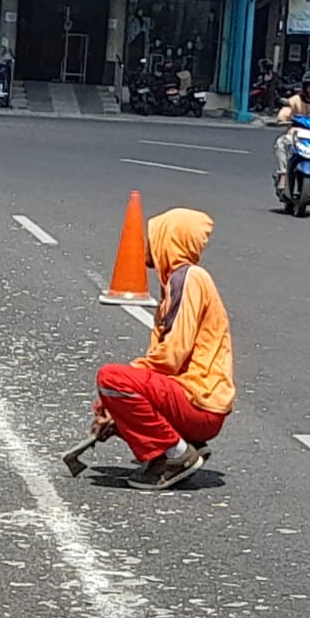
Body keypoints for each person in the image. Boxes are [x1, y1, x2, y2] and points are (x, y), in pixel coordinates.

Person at [92, 209, 234, 492]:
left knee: (112, 379)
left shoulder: (188, 279)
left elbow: (172, 355)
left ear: (170, 240)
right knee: (117, 395)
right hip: (195, 400)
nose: (148, 244)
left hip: (198, 401)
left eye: (153, 236)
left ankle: (177, 454)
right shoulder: (175, 283)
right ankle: (175, 448)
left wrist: (121, 384)